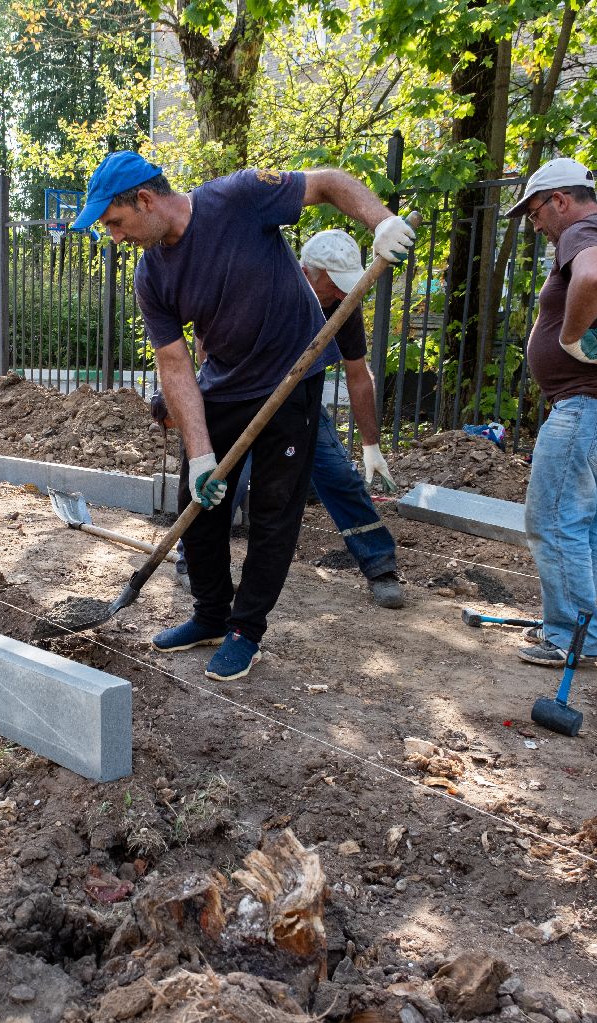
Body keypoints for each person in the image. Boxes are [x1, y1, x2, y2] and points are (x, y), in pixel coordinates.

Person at [71, 151, 414, 680]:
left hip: (292, 379)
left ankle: (244, 631)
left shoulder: (237, 197)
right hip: (225, 384)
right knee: (199, 500)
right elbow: (175, 364)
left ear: (144, 199)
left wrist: (382, 221)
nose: (114, 237)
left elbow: (326, 182)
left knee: (275, 514)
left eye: (114, 223)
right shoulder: (151, 276)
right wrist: (201, 455)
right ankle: (210, 614)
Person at [506, 157, 597, 667]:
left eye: (534, 212)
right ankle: (577, 630)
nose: (535, 224)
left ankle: (570, 635)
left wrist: (571, 340)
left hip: (591, 408)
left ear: (560, 201)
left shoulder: (585, 231)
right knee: (589, 526)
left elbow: (593, 276)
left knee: (551, 520)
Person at [296, 229, 405, 609]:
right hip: (247, 396)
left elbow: (358, 376)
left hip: (301, 400)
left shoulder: (345, 305)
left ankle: (380, 566)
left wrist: (371, 447)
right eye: (336, 286)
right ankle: (193, 559)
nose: (345, 295)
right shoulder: (273, 287)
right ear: (309, 273)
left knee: (341, 476)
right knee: (223, 478)